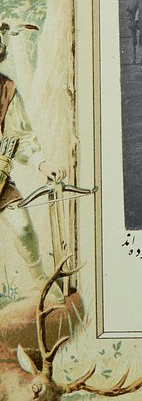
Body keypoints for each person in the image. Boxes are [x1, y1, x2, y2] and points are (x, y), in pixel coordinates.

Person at [0, 21, 66, 292]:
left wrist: (41, 163)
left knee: (24, 228)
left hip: (0, 178)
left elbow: (20, 135)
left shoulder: (6, 89)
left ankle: (40, 281)